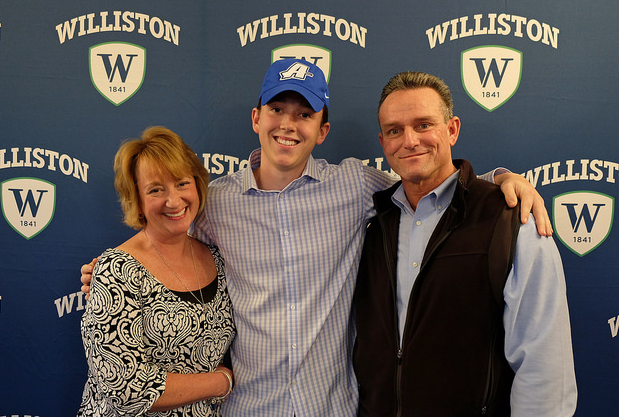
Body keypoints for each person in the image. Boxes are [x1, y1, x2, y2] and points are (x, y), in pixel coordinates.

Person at [81, 59, 552, 416]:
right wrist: (111, 273)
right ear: (255, 118)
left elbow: (429, 184)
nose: (288, 123)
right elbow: (164, 234)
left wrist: (505, 180)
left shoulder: (353, 186)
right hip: (248, 408)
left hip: (332, 408)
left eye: (304, 114)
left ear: (322, 130)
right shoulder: (216, 201)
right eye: (277, 109)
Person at [353, 71, 577, 416]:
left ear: (452, 129)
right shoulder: (372, 221)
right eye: (395, 130)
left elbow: (545, 363)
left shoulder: (509, 219)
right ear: (383, 142)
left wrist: (502, 178)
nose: (409, 141)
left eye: (423, 125)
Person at [78, 127, 236, 416]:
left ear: (199, 185)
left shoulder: (218, 258)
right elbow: (125, 390)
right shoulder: (116, 270)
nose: (173, 201)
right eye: (155, 190)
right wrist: (220, 382)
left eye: (181, 183)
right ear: (136, 199)